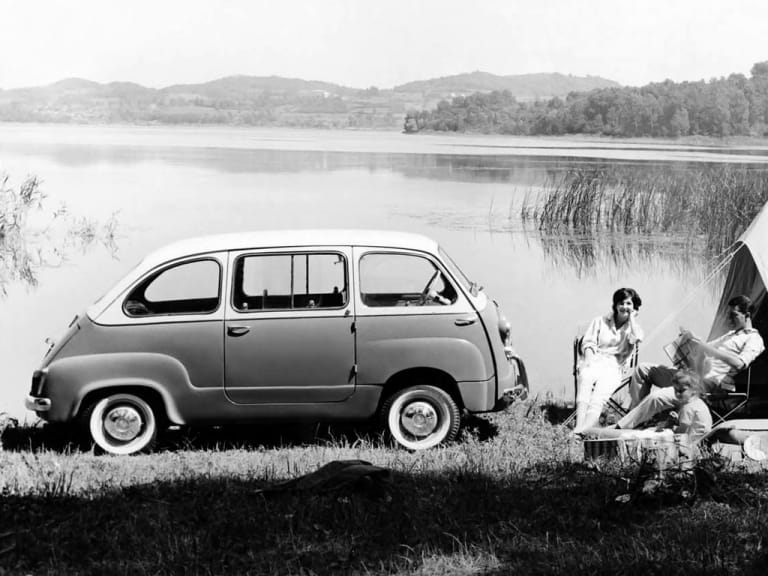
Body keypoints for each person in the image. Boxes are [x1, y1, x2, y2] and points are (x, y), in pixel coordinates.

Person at [626, 295, 764, 412]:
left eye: (734, 315)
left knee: (658, 396)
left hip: (709, 383)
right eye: (728, 315)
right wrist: (691, 339)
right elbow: (704, 348)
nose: (729, 319)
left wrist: (707, 349)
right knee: (643, 369)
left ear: (747, 315)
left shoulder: (754, 339)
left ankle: (634, 421)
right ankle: (635, 414)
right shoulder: (730, 335)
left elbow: (740, 364)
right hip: (693, 373)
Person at [573, 287, 643, 434]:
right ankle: (579, 425)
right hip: (594, 359)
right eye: (621, 303)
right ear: (615, 305)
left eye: (629, 304)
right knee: (585, 379)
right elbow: (588, 343)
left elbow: (636, 339)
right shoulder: (600, 321)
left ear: (634, 307)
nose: (624, 307)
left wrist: (631, 319)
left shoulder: (634, 328)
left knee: (599, 395)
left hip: (615, 366)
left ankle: (585, 430)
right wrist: (588, 360)